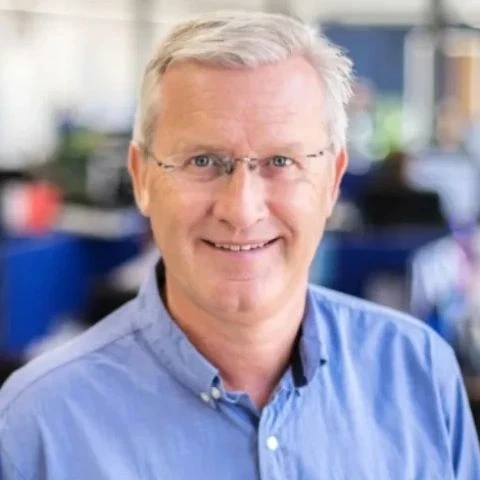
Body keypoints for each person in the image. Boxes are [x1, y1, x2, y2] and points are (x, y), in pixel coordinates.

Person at [0, 10, 479, 479]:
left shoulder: (419, 373)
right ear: (142, 178)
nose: (242, 208)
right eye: (203, 159)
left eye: (281, 161)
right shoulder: (34, 428)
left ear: (332, 180)